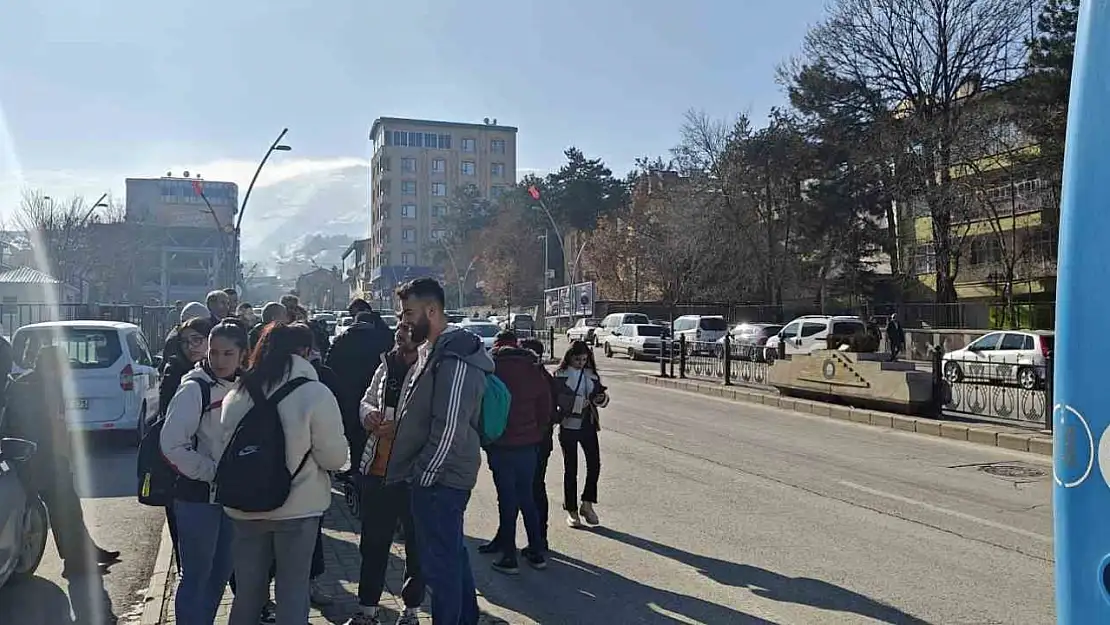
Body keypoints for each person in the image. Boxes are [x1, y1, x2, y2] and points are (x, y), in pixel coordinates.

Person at [220, 322, 348, 625]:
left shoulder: (238, 393)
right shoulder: (315, 393)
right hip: (298, 510)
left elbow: (222, 450)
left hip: (244, 508)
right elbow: (334, 458)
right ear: (305, 352)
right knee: (292, 591)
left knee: (248, 593)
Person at [389, 277, 493, 625]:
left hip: (442, 480)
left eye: (408, 313)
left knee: (441, 568)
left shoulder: (455, 356)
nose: (403, 321)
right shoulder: (431, 351)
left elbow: (449, 426)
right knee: (450, 558)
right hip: (433, 477)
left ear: (431, 311)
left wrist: (424, 475)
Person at [3, 346, 120, 578]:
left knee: (67, 506)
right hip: (36, 456)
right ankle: (77, 561)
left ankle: (84, 553)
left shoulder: (30, 383)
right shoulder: (36, 388)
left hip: (33, 455)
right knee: (63, 505)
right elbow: (46, 427)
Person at [161, 321, 247, 625]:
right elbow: (171, 445)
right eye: (214, 352)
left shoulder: (245, 386)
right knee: (196, 575)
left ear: (242, 354)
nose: (219, 360)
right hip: (196, 498)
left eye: (228, 353)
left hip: (232, 498)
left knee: (221, 572)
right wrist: (212, 472)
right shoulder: (194, 387)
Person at [345, 322, 423, 625]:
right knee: (373, 544)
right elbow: (365, 400)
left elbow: (433, 420)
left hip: (412, 474)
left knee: (416, 548)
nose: (399, 337)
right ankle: (367, 610)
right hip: (377, 472)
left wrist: (400, 429)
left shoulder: (430, 370)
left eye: (405, 332)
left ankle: (411, 610)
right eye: (398, 333)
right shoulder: (386, 366)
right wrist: (368, 416)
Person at [478, 331, 552, 574]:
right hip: (528, 445)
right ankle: (536, 551)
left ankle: (509, 555)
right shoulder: (533, 368)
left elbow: (479, 404)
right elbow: (546, 407)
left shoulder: (490, 368)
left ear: (497, 346)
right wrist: (537, 433)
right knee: (527, 497)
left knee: (506, 499)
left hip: (499, 445)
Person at [327, 310, 394, 480]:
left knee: (352, 432)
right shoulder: (381, 340)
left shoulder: (342, 340)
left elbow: (329, 363)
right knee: (370, 432)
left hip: (347, 393)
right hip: (373, 393)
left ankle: (355, 468)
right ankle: (367, 468)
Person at [553, 340, 608, 528]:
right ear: (569, 357)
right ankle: (572, 510)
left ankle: (587, 503)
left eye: (584, 359)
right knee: (571, 468)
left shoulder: (591, 375)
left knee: (594, 464)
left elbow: (600, 394)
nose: (581, 363)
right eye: (578, 359)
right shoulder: (560, 375)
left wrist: (602, 399)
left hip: (588, 424)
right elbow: (556, 398)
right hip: (568, 425)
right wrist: (576, 404)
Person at [516, 337, 555, 550]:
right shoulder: (540, 377)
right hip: (536, 441)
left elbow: (549, 413)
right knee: (532, 488)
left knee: (533, 489)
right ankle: (537, 537)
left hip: (535, 442)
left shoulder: (541, 379)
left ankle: (539, 537)